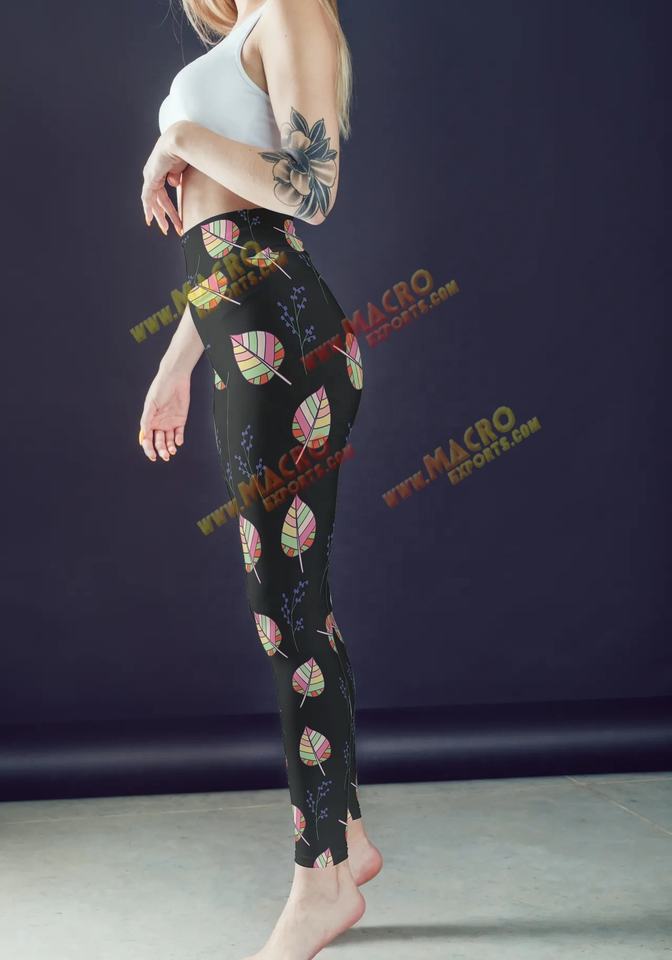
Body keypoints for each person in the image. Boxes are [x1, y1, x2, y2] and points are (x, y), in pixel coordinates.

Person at [137, 1, 382, 955]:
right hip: (248, 331)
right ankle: (347, 839)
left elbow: (310, 193)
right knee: (302, 609)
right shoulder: (244, 30)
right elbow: (233, 234)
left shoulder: (291, 8)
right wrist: (174, 366)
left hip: (283, 345)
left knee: (285, 615)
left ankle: (320, 882)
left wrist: (179, 139)